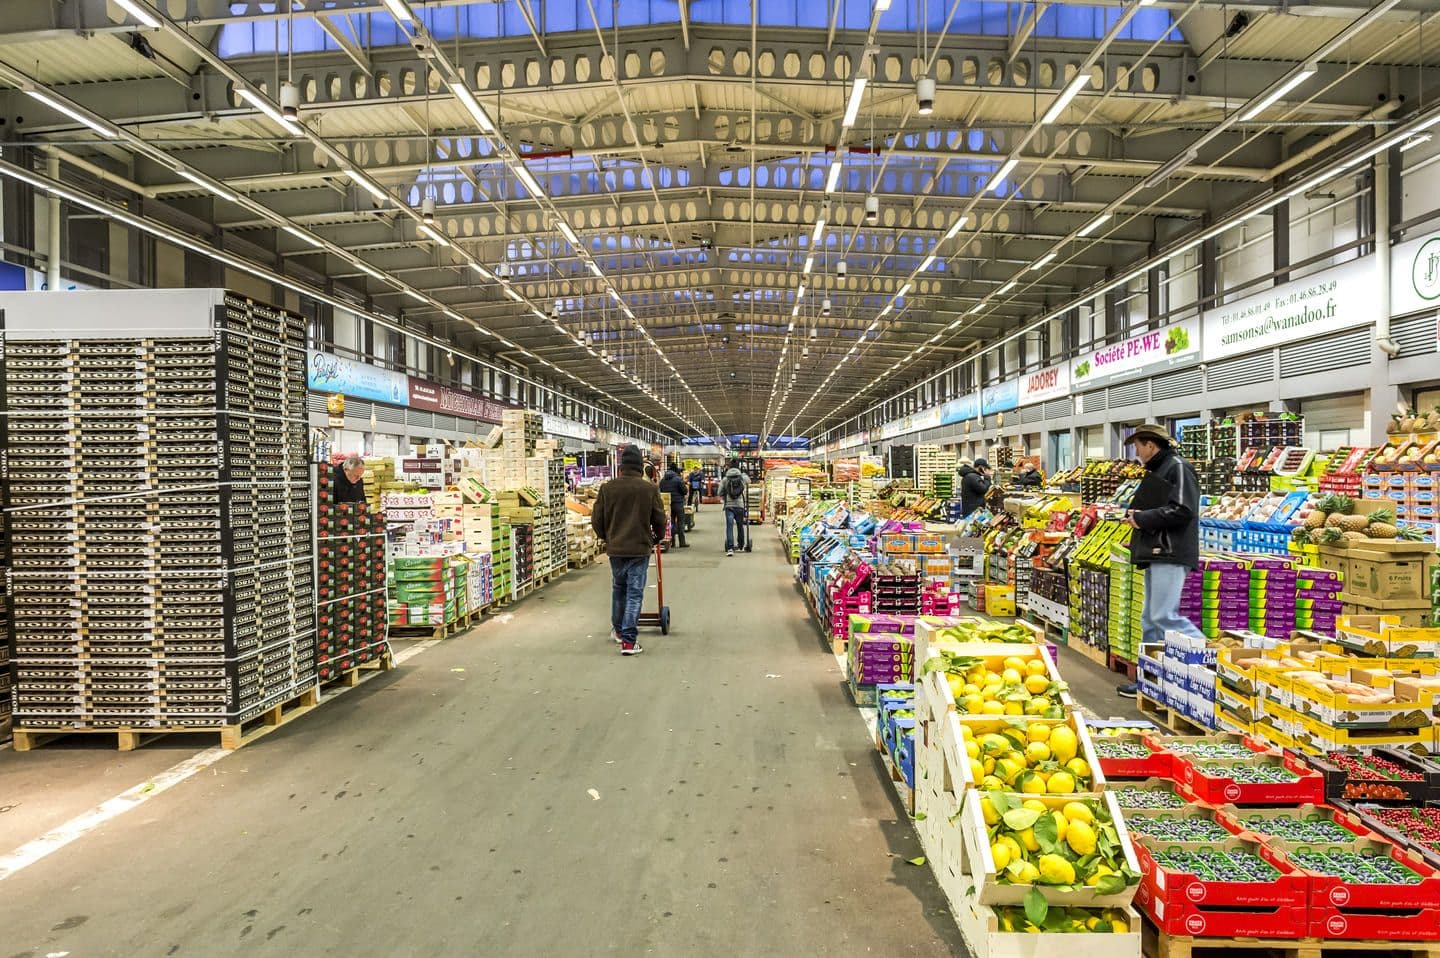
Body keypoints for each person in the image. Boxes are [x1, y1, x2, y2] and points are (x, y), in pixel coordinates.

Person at [1116, 423, 1204, 698]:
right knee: (1150, 620)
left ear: (1151, 445)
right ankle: (1150, 680)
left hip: (1170, 551)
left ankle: (1212, 661)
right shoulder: (1160, 469)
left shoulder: (1177, 467)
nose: (1137, 453)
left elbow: (1183, 510)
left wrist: (1142, 518)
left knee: (1163, 615)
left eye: (1138, 447)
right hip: (1156, 550)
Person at [591, 445, 667, 656]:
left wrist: (607, 538)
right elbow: (660, 519)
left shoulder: (607, 488)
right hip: (639, 548)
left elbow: (596, 519)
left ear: (622, 466)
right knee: (634, 594)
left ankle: (618, 631)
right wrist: (656, 538)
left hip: (616, 549)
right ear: (640, 466)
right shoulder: (649, 489)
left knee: (618, 589)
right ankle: (629, 641)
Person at [719, 459, 750, 556]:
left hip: (729, 506)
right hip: (740, 505)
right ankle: (741, 545)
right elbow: (749, 481)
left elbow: (719, 492)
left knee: (729, 526)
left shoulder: (725, 479)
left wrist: (725, 493)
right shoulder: (742, 477)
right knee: (740, 526)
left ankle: (730, 548)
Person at [659, 464, 689, 549]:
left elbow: (661, 491)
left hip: (668, 505)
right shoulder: (678, 479)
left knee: (670, 523)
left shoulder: (663, 480)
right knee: (680, 523)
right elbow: (685, 491)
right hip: (678, 503)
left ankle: (672, 542)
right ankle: (682, 542)